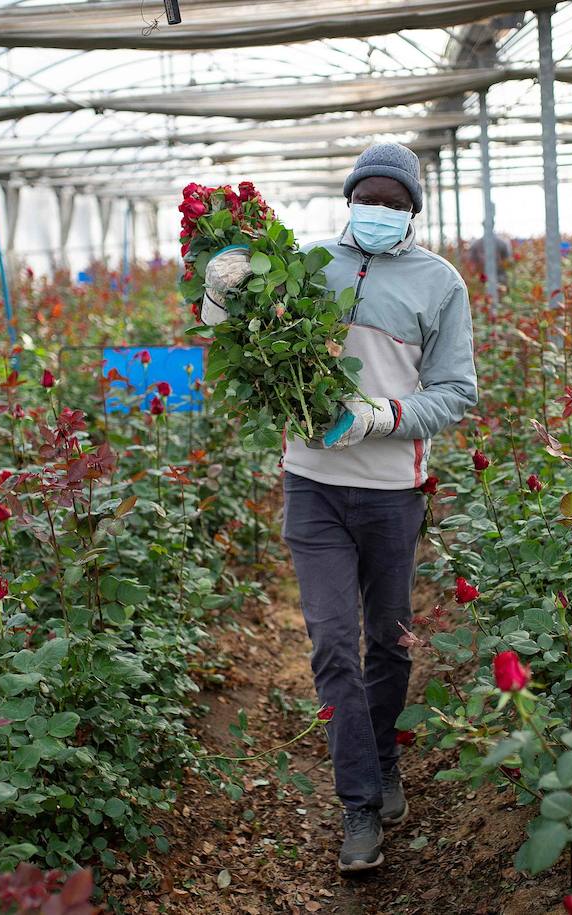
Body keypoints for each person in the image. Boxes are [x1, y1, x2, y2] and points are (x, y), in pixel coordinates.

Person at [202, 143, 478, 873]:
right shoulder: (306, 264)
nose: (379, 211)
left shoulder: (439, 284)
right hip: (312, 482)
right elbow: (236, 335)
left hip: (391, 490)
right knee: (331, 643)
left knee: (387, 643)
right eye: (369, 197)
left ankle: (383, 758)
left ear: (412, 210)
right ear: (350, 197)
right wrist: (219, 288)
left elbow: (456, 391)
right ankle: (358, 804)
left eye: (395, 201)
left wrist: (380, 414)